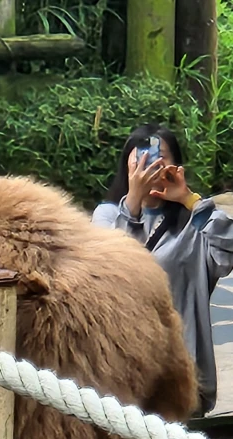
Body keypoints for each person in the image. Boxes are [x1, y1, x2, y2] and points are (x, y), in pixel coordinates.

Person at [92, 124, 233, 415]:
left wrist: (189, 199)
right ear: (127, 165)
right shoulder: (106, 217)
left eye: (160, 157)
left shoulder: (196, 225)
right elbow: (108, 271)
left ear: (176, 165)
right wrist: (132, 202)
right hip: (123, 376)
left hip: (181, 380)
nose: (151, 164)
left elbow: (228, 250)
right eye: (140, 157)